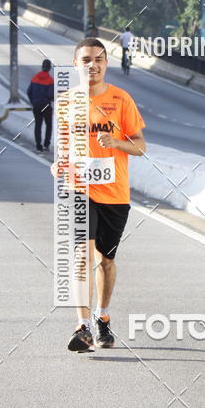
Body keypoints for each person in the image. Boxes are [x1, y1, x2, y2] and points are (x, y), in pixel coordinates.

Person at [52, 38, 146, 353]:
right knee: (82, 255)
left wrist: (116, 143)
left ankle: (102, 317)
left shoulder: (121, 100)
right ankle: (82, 326)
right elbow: (64, 148)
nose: (93, 65)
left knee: (105, 260)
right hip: (79, 190)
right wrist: (59, 165)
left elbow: (141, 146)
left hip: (115, 193)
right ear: (76, 64)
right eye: (87, 60)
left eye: (99, 60)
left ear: (106, 64)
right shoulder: (66, 102)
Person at [27, 59, 54, 153]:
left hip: (36, 105)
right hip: (46, 106)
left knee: (38, 125)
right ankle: (46, 144)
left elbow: (29, 92)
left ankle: (38, 145)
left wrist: (33, 102)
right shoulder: (50, 80)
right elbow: (51, 95)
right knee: (49, 125)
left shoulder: (34, 78)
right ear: (49, 68)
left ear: (42, 67)